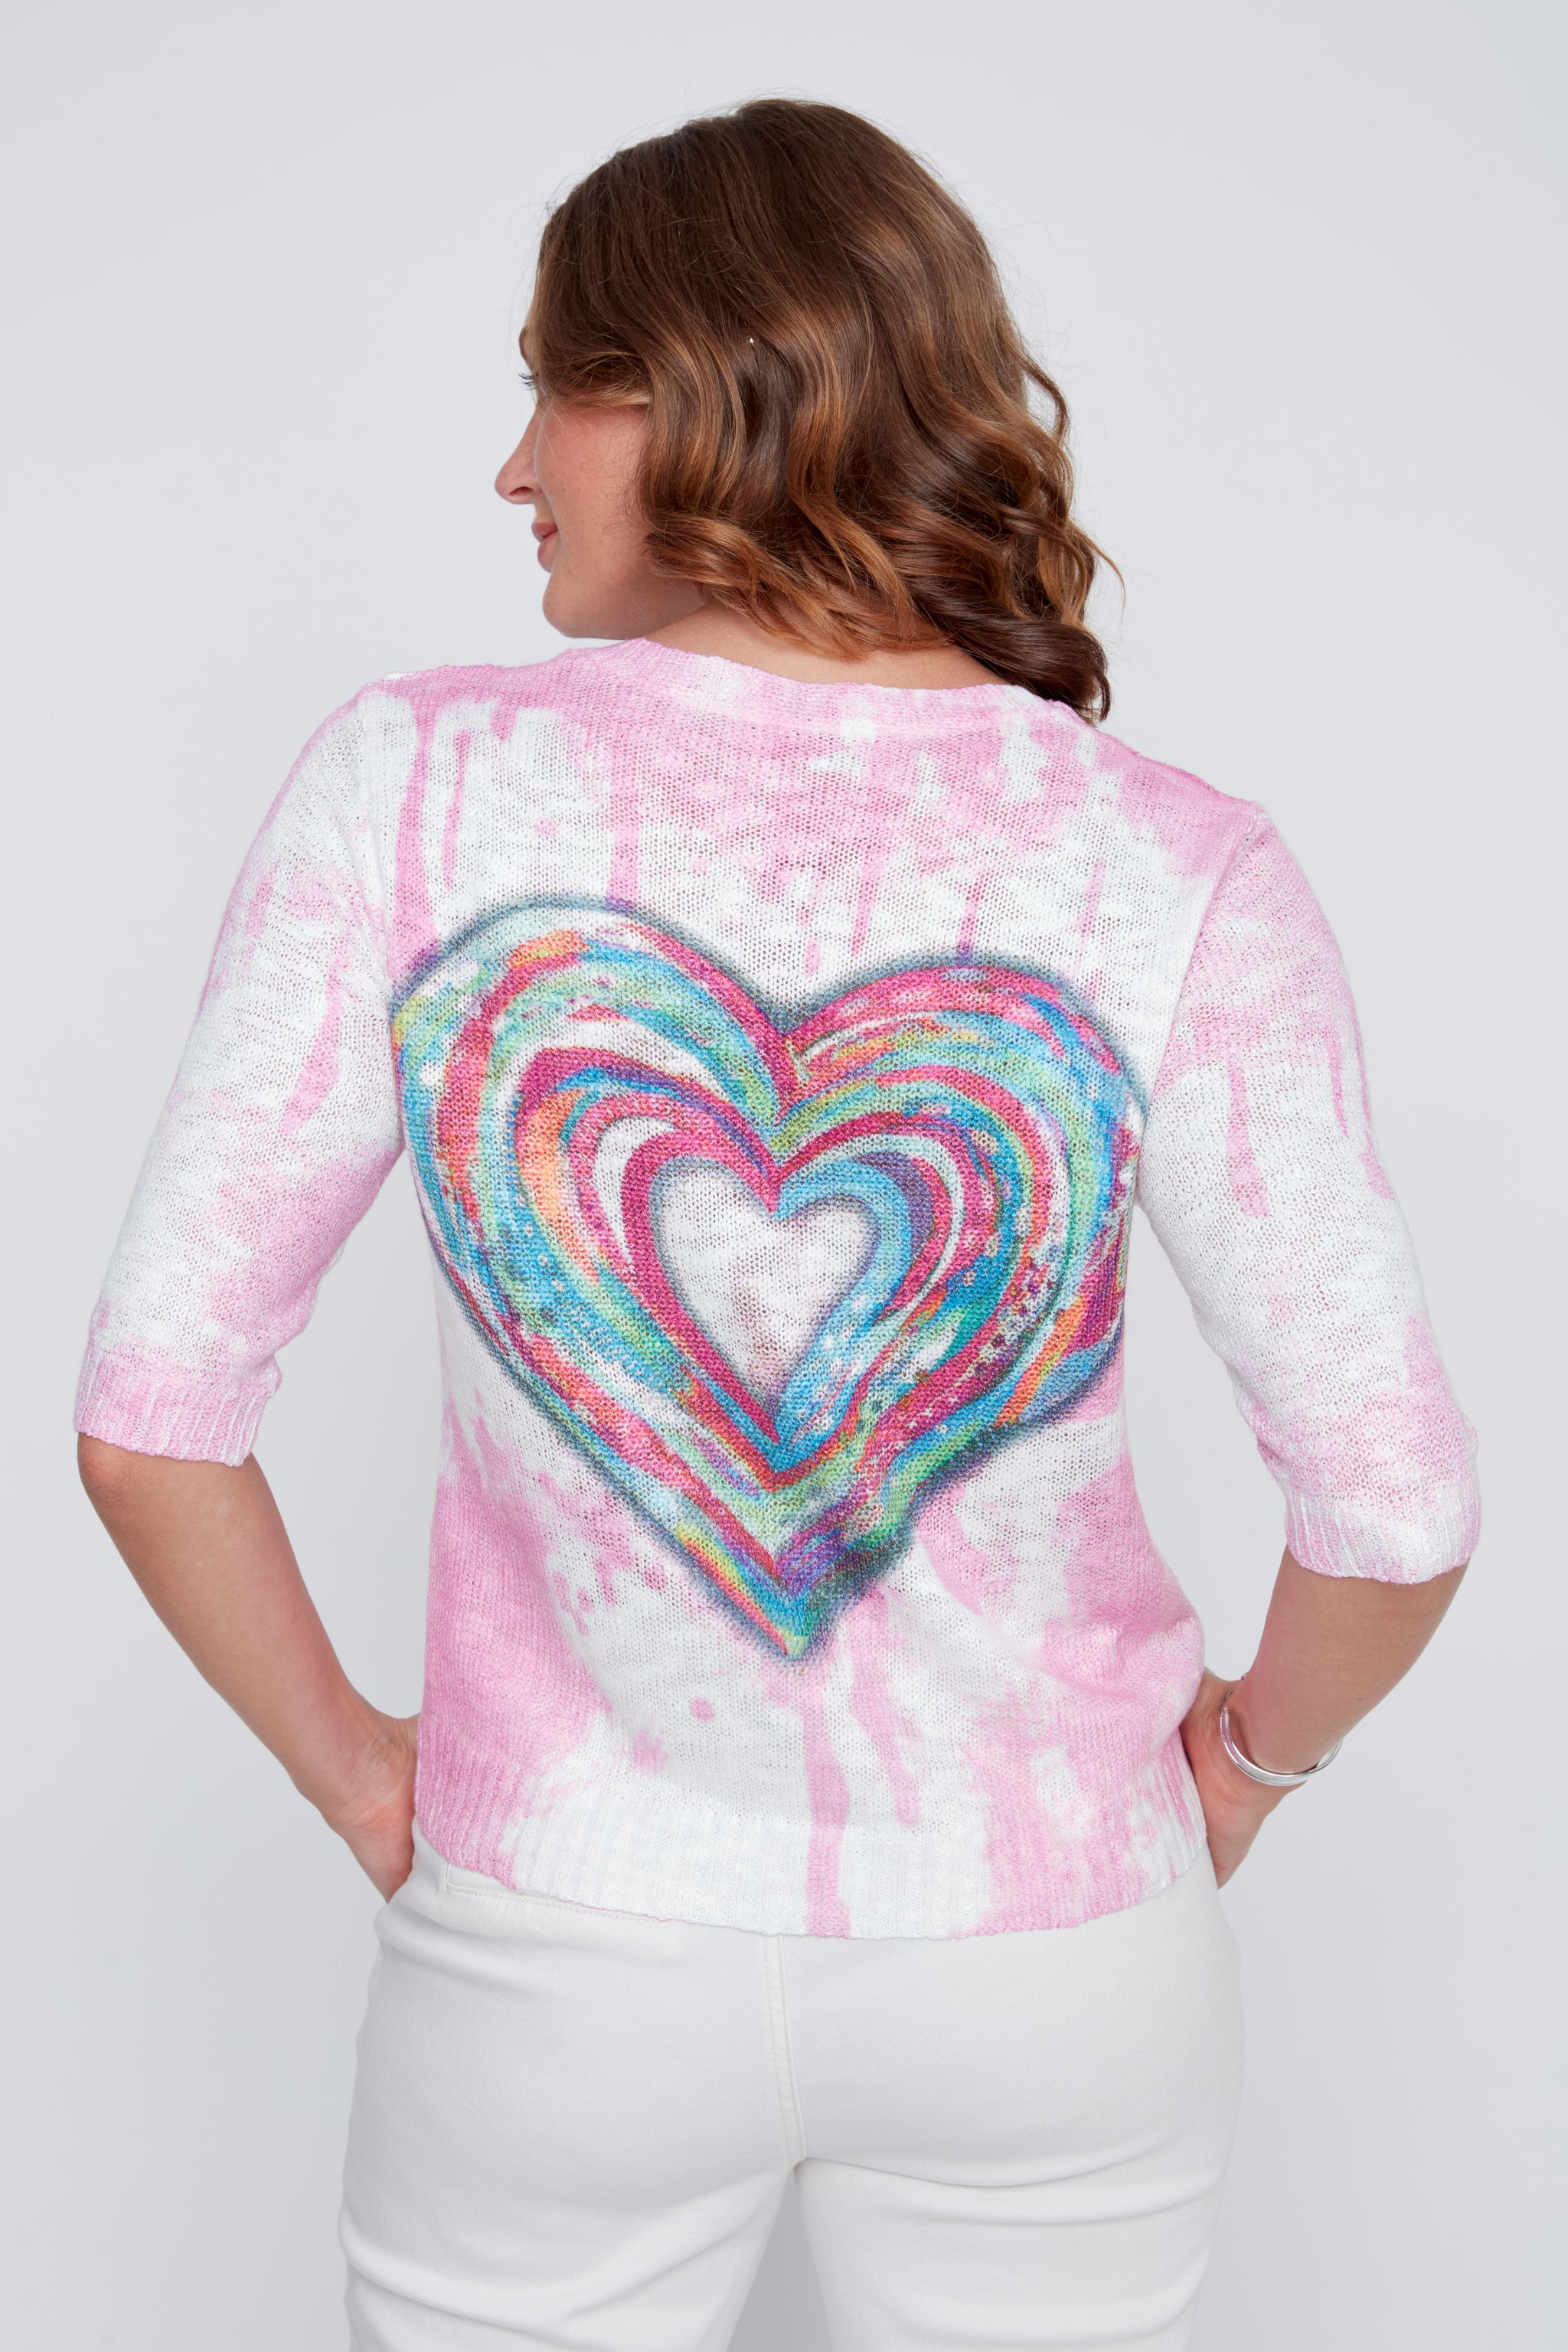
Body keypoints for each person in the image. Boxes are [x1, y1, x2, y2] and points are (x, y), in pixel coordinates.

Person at [75, 98, 1478, 2352]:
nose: (513, 466)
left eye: (553, 386)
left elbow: (152, 1420)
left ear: (699, 394)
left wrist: (367, 1783)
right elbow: (1396, 1513)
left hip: (559, 1952)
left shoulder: (411, 786)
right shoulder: (1173, 864)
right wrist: (1240, 1773)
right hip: (1057, 1963)